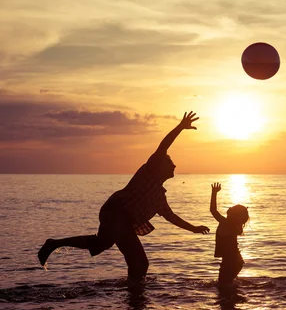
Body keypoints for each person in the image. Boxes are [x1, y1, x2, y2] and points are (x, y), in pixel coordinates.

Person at [37, 112, 210, 282]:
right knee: (104, 244)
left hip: (124, 221)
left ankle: (134, 291)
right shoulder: (148, 172)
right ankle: (54, 244)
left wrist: (194, 228)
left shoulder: (159, 196)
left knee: (139, 262)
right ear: (160, 165)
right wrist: (180, 127)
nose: (174, 165)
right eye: (170, 162)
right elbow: (164, 146)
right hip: (116, 210)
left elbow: (172, 217)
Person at [210, 182, 249, 285]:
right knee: (227, 287)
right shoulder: (233, 225)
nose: (230, 208)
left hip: (231, 261)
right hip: (235, 260)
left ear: (233, 214)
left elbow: (213, 210)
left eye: (233, 208)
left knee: (223, 287)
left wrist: (214, 193)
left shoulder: (226, 223)